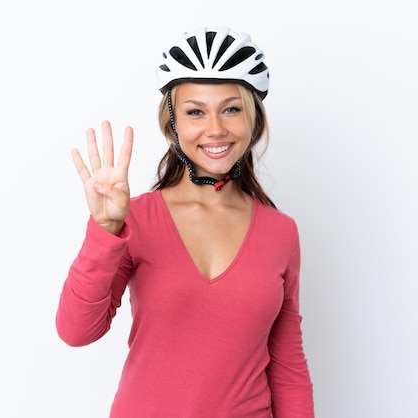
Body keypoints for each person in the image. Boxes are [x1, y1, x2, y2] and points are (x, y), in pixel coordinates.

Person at [56, 26, 315, 418]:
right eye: (195, 111)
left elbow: (287, 363)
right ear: (173, 124)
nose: (215, 128)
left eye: (231, 109)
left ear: (253, 120)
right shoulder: (136, 219)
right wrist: (105, 231)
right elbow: (76, 332)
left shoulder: (281, 232)